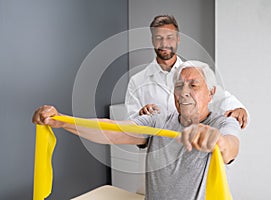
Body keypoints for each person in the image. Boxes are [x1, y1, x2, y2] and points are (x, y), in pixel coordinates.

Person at [32, 61, 240, 200]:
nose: (183, 92)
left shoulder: (222, 123)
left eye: (193, 86)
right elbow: (111, 130)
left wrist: (217, 141)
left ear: (210, 93)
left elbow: (230, 146)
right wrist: (62, 122)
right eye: (179, 86)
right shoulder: (158, 121)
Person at [125, 15, 248, 128]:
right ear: (152, 41)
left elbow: (221, 97)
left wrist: (239, 109)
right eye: (159, 38)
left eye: (170, 37)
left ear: (178, 39)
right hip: (159, 147)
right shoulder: (137, 82)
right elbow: (132, 127)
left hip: (192, 144)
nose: (164, 43)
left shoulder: (195, 73)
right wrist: (141, 116)